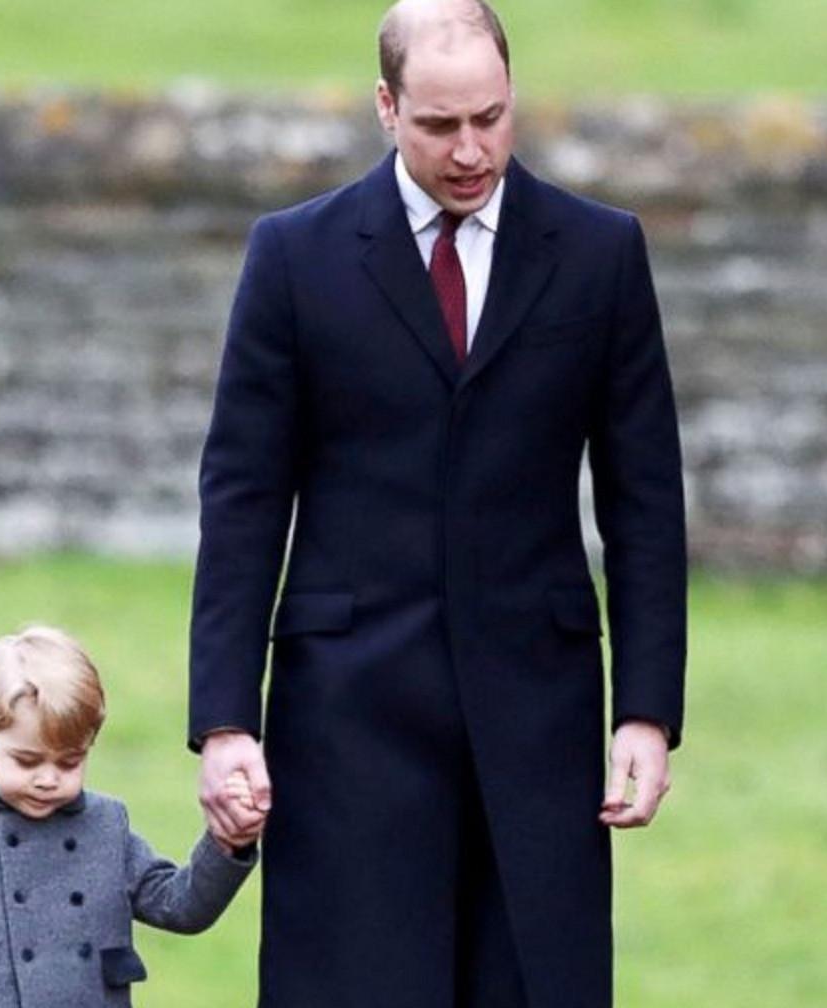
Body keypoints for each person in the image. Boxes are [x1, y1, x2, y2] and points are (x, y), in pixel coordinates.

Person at [189, 2, 687, 1004]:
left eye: (490, 119)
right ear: (384, 107)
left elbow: (642, 501)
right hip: (345, 717)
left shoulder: (598, 254)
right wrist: (223, 723)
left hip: (536, 717)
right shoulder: (294, 257)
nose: (470, 150)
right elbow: (242, 498)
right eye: (437, 125)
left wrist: (644, 711)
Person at [0, 626, 260, 1006]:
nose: (48, 779)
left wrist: (228, 840)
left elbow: (181, 906)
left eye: (70, 762)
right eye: (27, 760)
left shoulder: (106, 825)